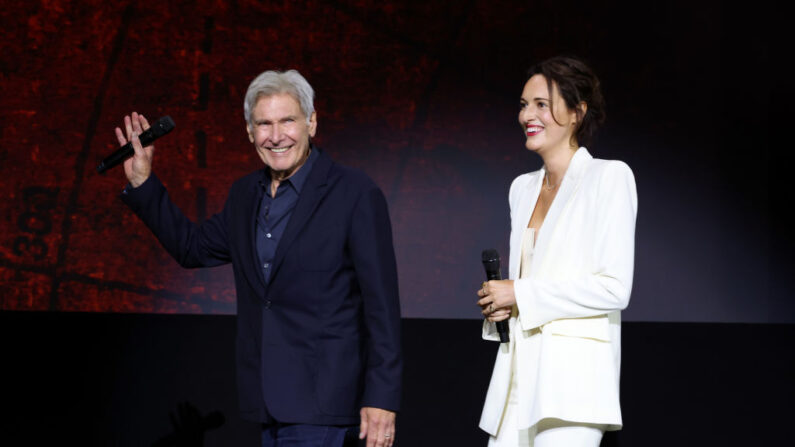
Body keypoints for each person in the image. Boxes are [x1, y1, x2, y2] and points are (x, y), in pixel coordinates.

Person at [115, 69, 401, 447]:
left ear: (311, 122)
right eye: (264, 124)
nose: (276, 135)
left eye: (288, 121)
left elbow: (381, 308)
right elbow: (192, 248)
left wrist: (381, 398)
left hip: (327, 404)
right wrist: (143, 182)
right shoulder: (244, 195)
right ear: (250, 132)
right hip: (267, 403)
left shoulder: (354, 193)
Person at [476, 56, 637, 446]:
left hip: (571, 388)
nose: (526, 115)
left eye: (541, 104)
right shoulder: (522, 188)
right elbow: (529, 283)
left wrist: (521, 293)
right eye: (523, 104)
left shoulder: (609, 177)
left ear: (577, 112)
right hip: (515, 382)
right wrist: (504, 303)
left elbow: (614, 288)